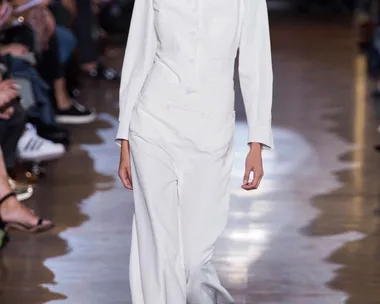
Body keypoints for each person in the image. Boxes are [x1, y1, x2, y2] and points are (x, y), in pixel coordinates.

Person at [116, 0, 273, 303]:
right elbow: (138, 54)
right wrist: (124, 136)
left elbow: (256, 62)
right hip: (152, 123)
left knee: (195, 261)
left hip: (211, 130)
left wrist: (257, 140)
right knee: (158, 247)